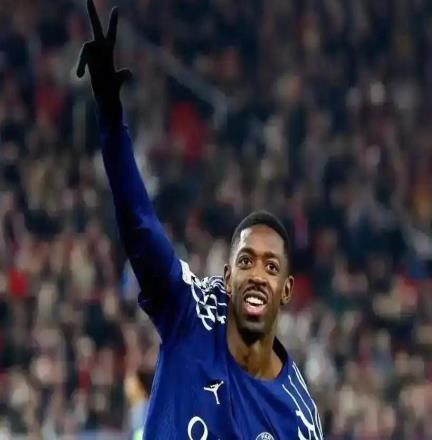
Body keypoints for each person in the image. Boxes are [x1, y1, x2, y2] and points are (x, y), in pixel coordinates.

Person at [77, 1, 324, 438]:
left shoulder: (298, 421)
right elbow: (140, 228)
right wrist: (111, 120)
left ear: (286, 289)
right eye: (246, 261)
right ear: (227, 277)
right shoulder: (194, 311)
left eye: (271, 267)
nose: (257, 275)